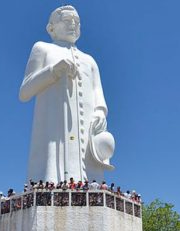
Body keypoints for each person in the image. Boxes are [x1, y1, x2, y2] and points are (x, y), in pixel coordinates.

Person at [20, 5, 114, 184]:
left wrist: (100, 112)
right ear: (51, 28)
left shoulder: (90, 60)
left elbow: (97, 92)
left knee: (93, 176)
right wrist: (53, 70)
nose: (74, 24)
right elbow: (25, 92)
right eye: (67, 20)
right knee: (51, 172)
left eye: (77, 21)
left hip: (88, 131)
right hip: (52, 131)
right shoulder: (42, 48)